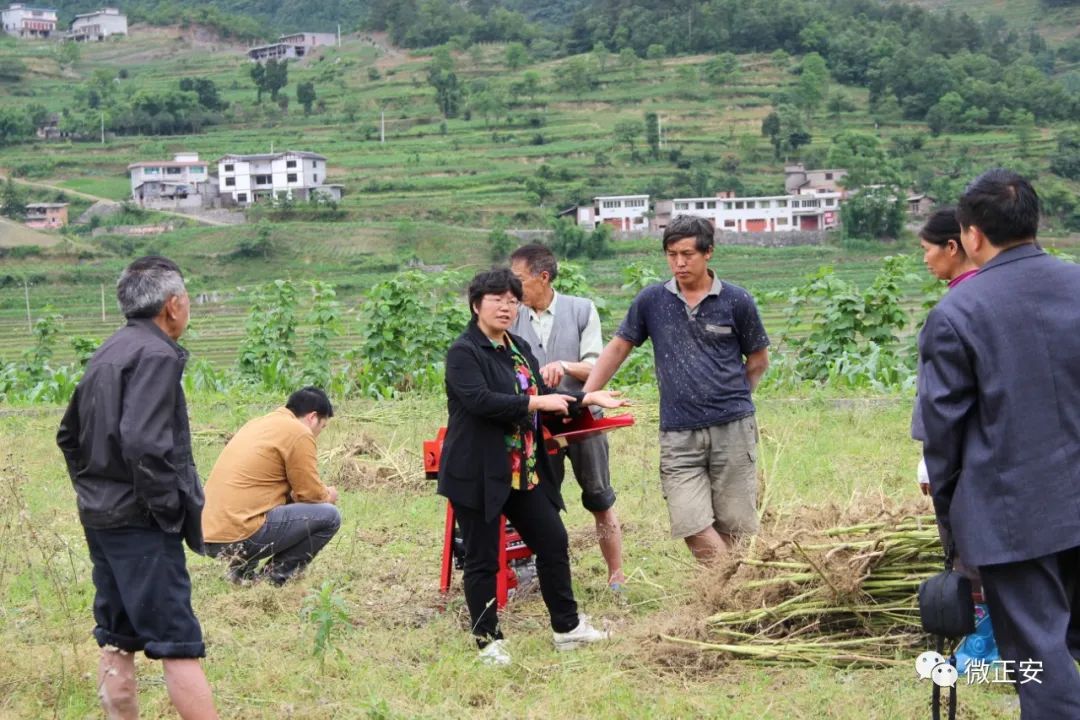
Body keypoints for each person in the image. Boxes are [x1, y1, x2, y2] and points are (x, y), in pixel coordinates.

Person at [917, 169, 1080, 717]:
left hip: (1015, 520)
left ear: (971, 236)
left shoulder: (957, 314)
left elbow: (943, 437)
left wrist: (952, 520)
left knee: (1039, 659)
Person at [438, 268, 628, 666]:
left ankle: (568, 628)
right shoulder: (464, 352)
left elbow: (544, 393)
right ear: (477, 306)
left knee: (553, 542)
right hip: (479, 471)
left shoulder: (518, 346)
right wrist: (534, 404)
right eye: (496, 300)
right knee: (482, 559)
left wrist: (588, 397)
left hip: (522, 470)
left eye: (512, 300)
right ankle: (489, 642)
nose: (506, 307)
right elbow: (481, 401)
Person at [56, 256, 218, 720]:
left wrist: (93, 492)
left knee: (116, 635)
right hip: (141, 522)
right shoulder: (157, 355)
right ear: (172, 306)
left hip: (101, 518)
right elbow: (145, 443)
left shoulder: (108, 351)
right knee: (178, 642)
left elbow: (67, 436)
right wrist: (166, 508)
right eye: (186, 300)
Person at [582, 215, 770, 563]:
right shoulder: (652, 300)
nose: (679, 263)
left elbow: (758, 360)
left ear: (708, 252)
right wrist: (585, 396)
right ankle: (737, 587)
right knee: (690, 521)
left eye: (687, 254)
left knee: (735, 524)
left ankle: (727, 602)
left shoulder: (737, 300)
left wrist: (733, 396)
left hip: (732, 428)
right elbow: (619, 347)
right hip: (677, 433)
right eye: (672, 255)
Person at [509, 243, 626, 592]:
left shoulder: (581, 310)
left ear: (542, 277)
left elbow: (595, 363)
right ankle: (544, 576)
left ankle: (616, 576)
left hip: (584, 418)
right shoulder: (511, 316)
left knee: (599, 497)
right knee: (539, 500)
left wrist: (564, 366)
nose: (513, 290)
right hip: (535, 423)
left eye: (518, 280)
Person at [202, 387, 341, 586]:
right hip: (240, 534)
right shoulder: (299, 432)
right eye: (323, 426)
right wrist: (329, 494)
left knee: (262, 505)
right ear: (312, 417)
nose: (319, 433)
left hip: (208, 534)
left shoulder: (257, 424)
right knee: (329, 516)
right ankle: (271, 582)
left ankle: (241, 577)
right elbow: (311, 495)